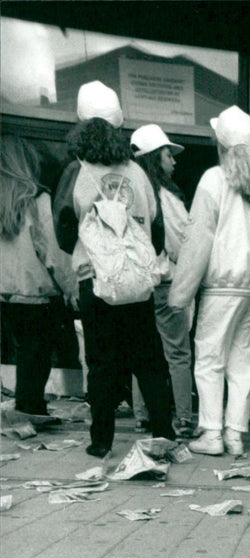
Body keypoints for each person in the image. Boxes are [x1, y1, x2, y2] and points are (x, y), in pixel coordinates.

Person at [53, 80, 174, 457]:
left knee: (101, 364)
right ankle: (164, 433)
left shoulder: (76, 172)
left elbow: (62, 230)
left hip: (96, 281)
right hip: (137, 282)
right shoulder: (139, 173)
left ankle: (101, 442)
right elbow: (156, 229)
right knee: (150, 361)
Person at [168, 107, 250, 458]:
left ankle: (212, 433)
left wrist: (181, 293)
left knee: (209, 359)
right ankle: (235, 434)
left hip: (222, 287)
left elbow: (198, 240)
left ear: (220, 143)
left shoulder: (214, 180)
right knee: (244, 363)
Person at [0, 135, 75, 418]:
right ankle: (31, 406)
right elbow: (51, 251)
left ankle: (25, 404)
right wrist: (70, 287)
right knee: (39, 352)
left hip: (6, 292)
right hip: (37, 291)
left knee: (24, 350)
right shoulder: (37, 199)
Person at [129, 124, 194, 437]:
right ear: (156, 158)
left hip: (137, 285)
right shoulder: (166, 196)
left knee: (144, 353)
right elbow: (184, 241)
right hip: (166, 282)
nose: (175, 161)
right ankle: (183, 418)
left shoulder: (130, 192)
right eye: (169, 154)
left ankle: (142, 416)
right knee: (177, 353)